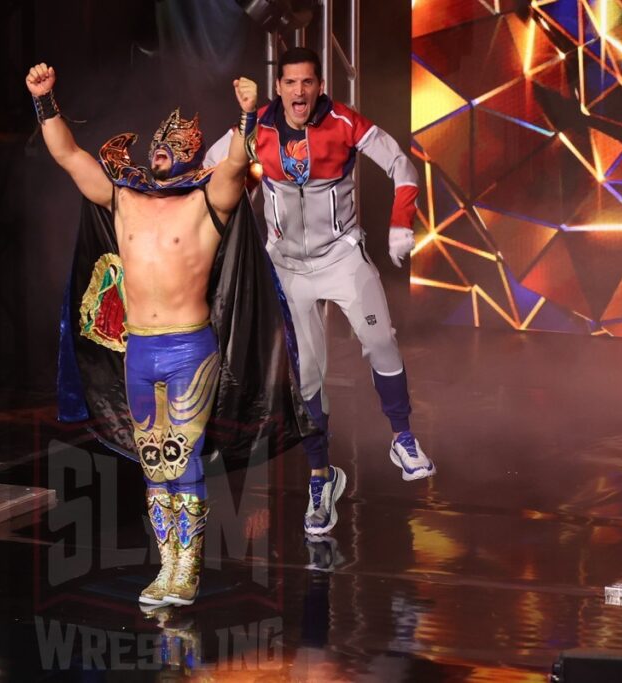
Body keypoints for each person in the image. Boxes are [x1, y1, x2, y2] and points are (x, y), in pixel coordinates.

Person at [28, 63, 315, 606]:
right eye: (158, 144)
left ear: (190, 151)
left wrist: (248, 115)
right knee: (155, 464)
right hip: (140, 350)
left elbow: (237, 163)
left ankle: (188, 570)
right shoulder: (123, 199)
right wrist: (46, 102)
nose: (159, 150)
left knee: (182, 457)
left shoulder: (208, 204)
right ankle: (167, 568)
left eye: (171, 145)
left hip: (189, 349)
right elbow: (68, 155)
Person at [206, 47, 435, 538]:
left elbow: (401, 165)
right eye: (290, 83)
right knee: (307, 376)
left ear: (319, 85)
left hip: (342, 259)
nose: (299, 93)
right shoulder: (256, 128)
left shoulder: (345, 123)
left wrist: (401, 223)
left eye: (308, 83)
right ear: (279, 87)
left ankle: (402, 437)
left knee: (381, 343)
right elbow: (209, 173)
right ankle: (321, 477)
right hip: (287, 269)